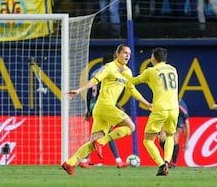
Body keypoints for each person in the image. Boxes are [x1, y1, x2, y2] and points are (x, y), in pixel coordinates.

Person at [62, 45, 152, 175]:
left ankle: (70, 163)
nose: (127, 56)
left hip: (104, 108)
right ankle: (102, 142)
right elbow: (95, 80)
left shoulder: (127, 72)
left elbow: (132, 90)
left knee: (93, 142)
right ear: (117, 53)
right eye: (125, 53)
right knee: (131, 127)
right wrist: (79, 90)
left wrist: (146, 103)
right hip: (104, 105)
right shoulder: (109, 67)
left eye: (129, 54)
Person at [120, 47, 179, 176]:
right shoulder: (173, 69)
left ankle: (161, 165)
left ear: (153, 58)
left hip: (160, 108)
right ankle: (167, 161)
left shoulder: (151, 71)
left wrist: (123, 72)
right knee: (170, 136)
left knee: (148, 140)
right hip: (174, 108)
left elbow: (133, 81)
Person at [79, 53, 130, 168]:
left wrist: (88, 109)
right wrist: (116, 105)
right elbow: (105, 92)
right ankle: (118, 160)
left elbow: (88, 93)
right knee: (107, 131)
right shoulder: (108, 71)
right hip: (102, 105)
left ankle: (84, 159)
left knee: (99, 133)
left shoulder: (95, 72)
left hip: (93, 105)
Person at [159, 98, 190, 168]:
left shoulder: (181, 108)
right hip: (168, 120)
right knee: (161, 138)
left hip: (178, 121)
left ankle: (173, 162)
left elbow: (187, 125)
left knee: (174, 139)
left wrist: (186, 142)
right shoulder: (164, 103)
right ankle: (168, 157)